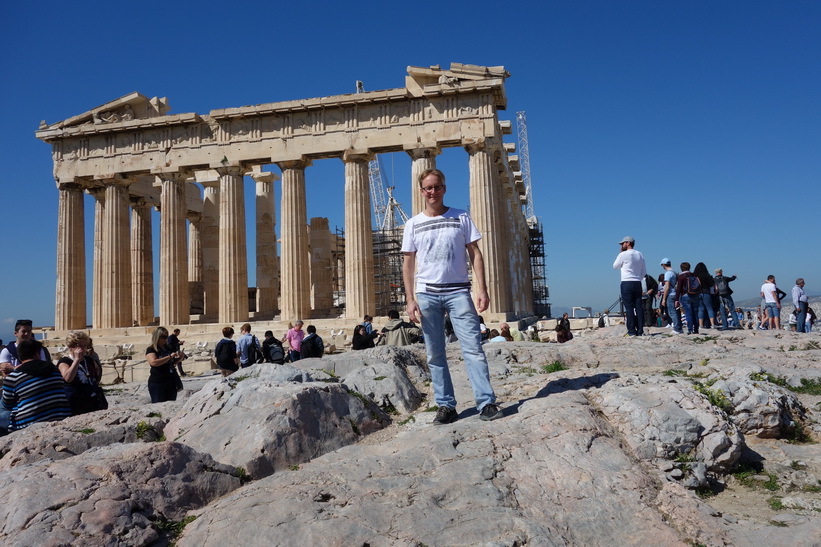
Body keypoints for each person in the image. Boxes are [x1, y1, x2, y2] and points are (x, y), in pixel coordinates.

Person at [402, 168, 503, 424]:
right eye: (428, 188)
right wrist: (410, 299)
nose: (432, 192)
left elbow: (475, 253)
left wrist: (482, 288)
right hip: (427, 294)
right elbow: (408, 264)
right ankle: (446, 405)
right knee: (435, 354)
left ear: (444, 189)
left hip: (458, 291)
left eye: (436, 187)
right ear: (421, 191)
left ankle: (486, 403)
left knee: (473, 349)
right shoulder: (413, 224)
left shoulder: (461, 216)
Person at [1, 339, 70, 432]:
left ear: (20, 357)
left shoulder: (14, 377)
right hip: (60, 415)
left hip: (29, 423)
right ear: (37, 354)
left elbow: (7, 404)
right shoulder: (53, 369)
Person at [57, 330, 106, 415]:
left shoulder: (89, 360)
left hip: (92, 401)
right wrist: (76, 360)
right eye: (79, 346)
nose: (83, 349)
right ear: (71, 347)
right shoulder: (64, 362)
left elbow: (97, 374)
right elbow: (68, 378)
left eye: (84, 346)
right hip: (74, 403)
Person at [612, 236, 647, 337]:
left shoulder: (623, 254)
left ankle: (631, 331)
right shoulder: (640, 254)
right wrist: (638, 278)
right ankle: (640, 330)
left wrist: (620, 254)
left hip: (627, 282)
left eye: (622, 244)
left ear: (627, 243)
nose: (621, 246)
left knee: (629, 308)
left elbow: (615, 266)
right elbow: (644, 272)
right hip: (637, 282)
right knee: (639, 307)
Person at [145, 327, 182, 403]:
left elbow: (170, 363)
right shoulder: (151, 349)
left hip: (170, 382)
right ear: (157, 337)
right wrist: (169, 357)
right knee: (158, 406)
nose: (165, 339)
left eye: (166, 337)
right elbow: (154, 362)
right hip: (158, 382)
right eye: (163, 337)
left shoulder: (167, 348)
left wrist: (180, 358)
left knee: (170, 405)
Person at [675, 262, 700, 335]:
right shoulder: (695, 275)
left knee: (688, 313)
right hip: (695, 295)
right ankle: (696, 329)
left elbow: (679, 288)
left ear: (681, 268)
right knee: (695, 313)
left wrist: (676, 299)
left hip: (686, 295)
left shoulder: (681, 276)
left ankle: (690, 329)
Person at [659, 259, 682, 335]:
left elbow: (667, 287)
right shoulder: (675, 272)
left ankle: (676, 328)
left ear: (663, 265)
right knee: (677, 311)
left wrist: (664, 299)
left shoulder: (668, 273)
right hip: (676, 294)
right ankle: (679, 327)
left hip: (670, 294)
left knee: (672, 312)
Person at [693, 263, 716, 329]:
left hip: (698, 293)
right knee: (709, 309)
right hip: (706, 293)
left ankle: (701, 325)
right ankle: (712, 324)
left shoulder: (695, 276)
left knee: (701, 309)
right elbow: (711, 284)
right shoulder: (707, 275)